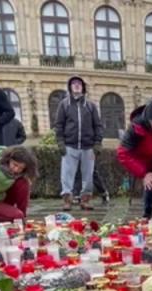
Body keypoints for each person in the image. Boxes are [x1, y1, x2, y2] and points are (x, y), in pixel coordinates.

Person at [54, 75, 103, 211]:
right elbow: (59, 125)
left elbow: (98, 125)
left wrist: (97, 143)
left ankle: (85, 200)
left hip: (88, 147)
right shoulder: (64, 105)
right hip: (70, 146)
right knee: (67, 175)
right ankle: (67, 201)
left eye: (79, 83)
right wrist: (60, 143)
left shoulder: (91, 106)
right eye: (74, 83)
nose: (76, 85)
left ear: (83, 87)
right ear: (70, 87)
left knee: (88, 176)